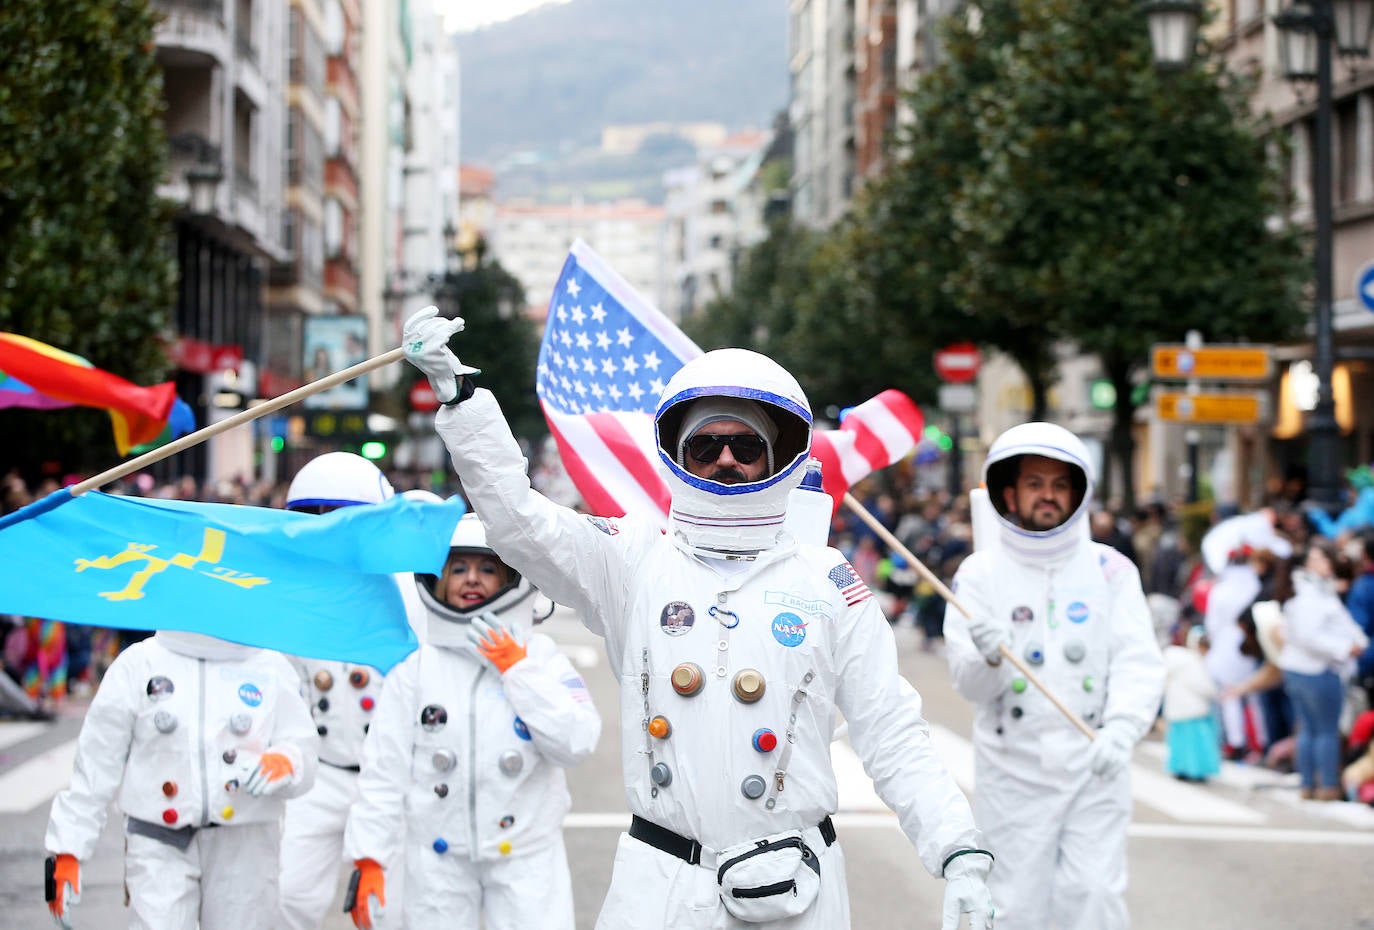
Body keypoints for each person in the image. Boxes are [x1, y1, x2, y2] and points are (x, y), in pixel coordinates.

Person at [401, 306, 994, 930]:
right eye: (706, 445)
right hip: (660, 887)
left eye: (745, 445)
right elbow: (517, 520)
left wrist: (958, 851)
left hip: (794, 889)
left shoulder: (827, 580)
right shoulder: (631, 559)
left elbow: (892, 730)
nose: (726, 459)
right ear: (677, 457)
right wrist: (461, 399)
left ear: (778, 458)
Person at [944, 422, 1165, 930]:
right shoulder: (979, 574)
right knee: (1016, 901)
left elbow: (1138, 659)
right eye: (1035, 483)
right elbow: (970, 687)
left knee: (1093, 895)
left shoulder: (1111, 570)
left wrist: (1123, 728)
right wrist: (990, 658)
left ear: (1079, 492)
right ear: (1009, 492)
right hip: (1012, 768)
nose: (1048, 496)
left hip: (1094, 762)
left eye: (1060, 484)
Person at [343, 512, 601, 929]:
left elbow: (576, 743)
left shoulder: (541, 658)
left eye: (487, 568)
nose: (471, 580)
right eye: (458, 568)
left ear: (511, 579)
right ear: (438, 579)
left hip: (526, 859)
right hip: (437, 862)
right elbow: (383, 773)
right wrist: (369, 857)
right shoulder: (416, 670)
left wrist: (517, 670)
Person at [44, 629, 318, 929]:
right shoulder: (140, 663)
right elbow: (96, 762)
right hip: (157, 839)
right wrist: (68, 849)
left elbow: (302, 746)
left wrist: (287, 761)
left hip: (245, 841)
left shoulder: (269, 665)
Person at [277, 452, 409, 930]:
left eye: (341, 517)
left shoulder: (413, 587)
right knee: (289, 896)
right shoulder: (287, 595)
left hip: (393, 778)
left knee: (387, 910)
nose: (328, 528)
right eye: (314, 517)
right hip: (320, 771)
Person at [1273, 540, 1369, 800]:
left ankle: (1309, 782)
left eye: (1325, 559)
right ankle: (1325, 783)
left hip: (1302, 667)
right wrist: (1344, 648)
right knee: (1323, 730)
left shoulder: (1313, 591)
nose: (1324, 564)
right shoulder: (1310, 594)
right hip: (1316, 669)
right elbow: (1309, 636)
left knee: (1310, 729)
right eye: (1317, 559)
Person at [1162, 627, 1221, 782]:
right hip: (1194, 712)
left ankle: (1180, 769)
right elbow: (1204, 686)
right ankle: (1195, 771)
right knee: (1196, 745)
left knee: (1180, 743)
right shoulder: (1193, 663)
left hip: (1177, 711)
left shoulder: (1176, 661)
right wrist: (1216, 692)